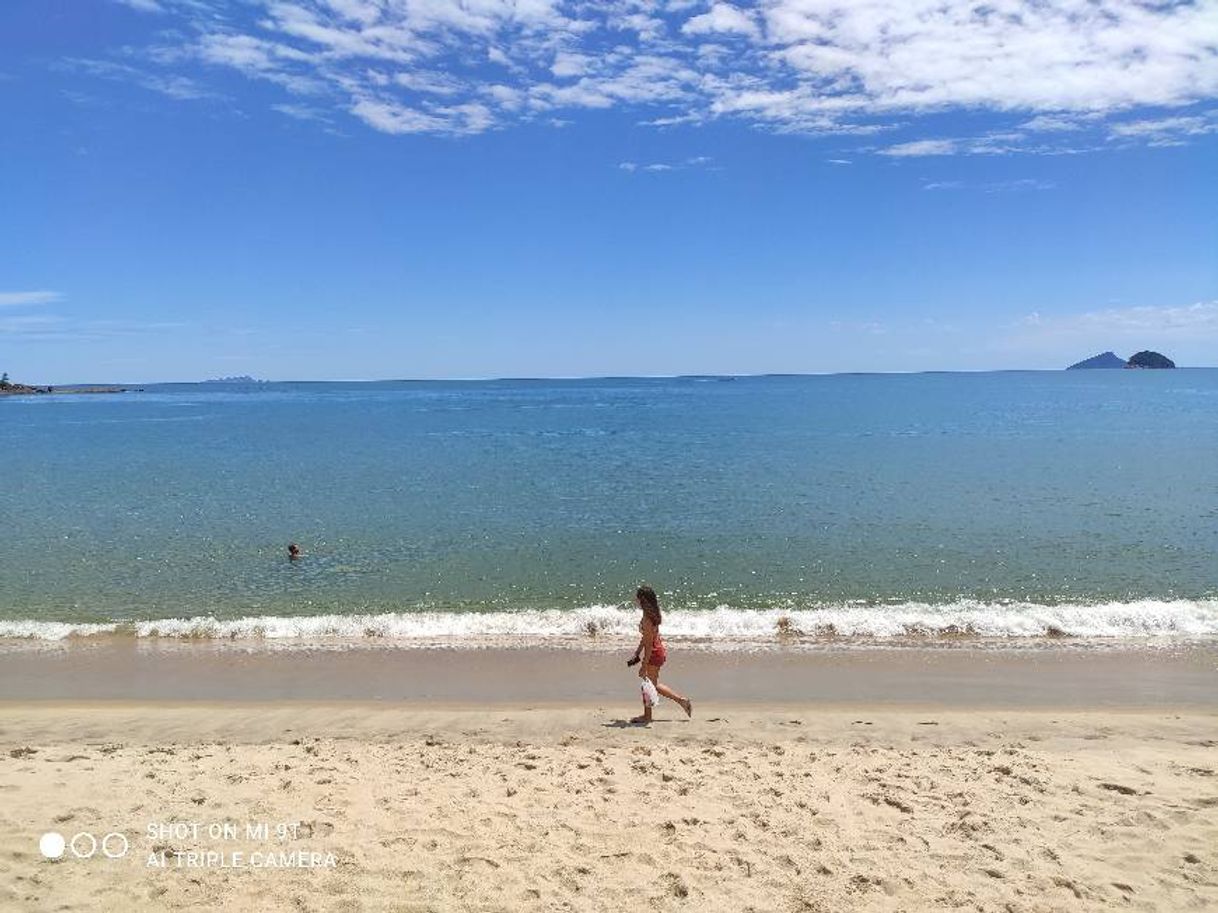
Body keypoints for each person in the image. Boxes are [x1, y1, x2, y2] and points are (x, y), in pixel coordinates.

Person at [628, 585, 692, 724]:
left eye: (638, 598)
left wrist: (644, 664)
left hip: (654, 653)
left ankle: (648, 716)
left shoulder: (647, 618)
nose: (636, 600)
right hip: (657, 651)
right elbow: (645, 638)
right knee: (652, 684)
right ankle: (681, 701)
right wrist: (637, 652)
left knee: (648, 684)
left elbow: (649, 644)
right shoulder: (651, 614)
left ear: (643, 600)